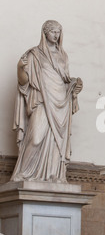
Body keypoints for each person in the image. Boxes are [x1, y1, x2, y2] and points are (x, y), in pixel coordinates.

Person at [11, 20, 82, 183]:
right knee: (35, 138)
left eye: (58, 32)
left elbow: (64, 79)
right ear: (44, 33)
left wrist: (74, 85)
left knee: (56, 145)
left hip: (61, 104)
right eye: (52, 31)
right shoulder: (33, 54)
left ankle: (53, 175)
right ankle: (24, 172)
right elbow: (24, 83)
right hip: (42, 101)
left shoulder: (63, 55)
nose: (56, 35)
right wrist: (20, 68)